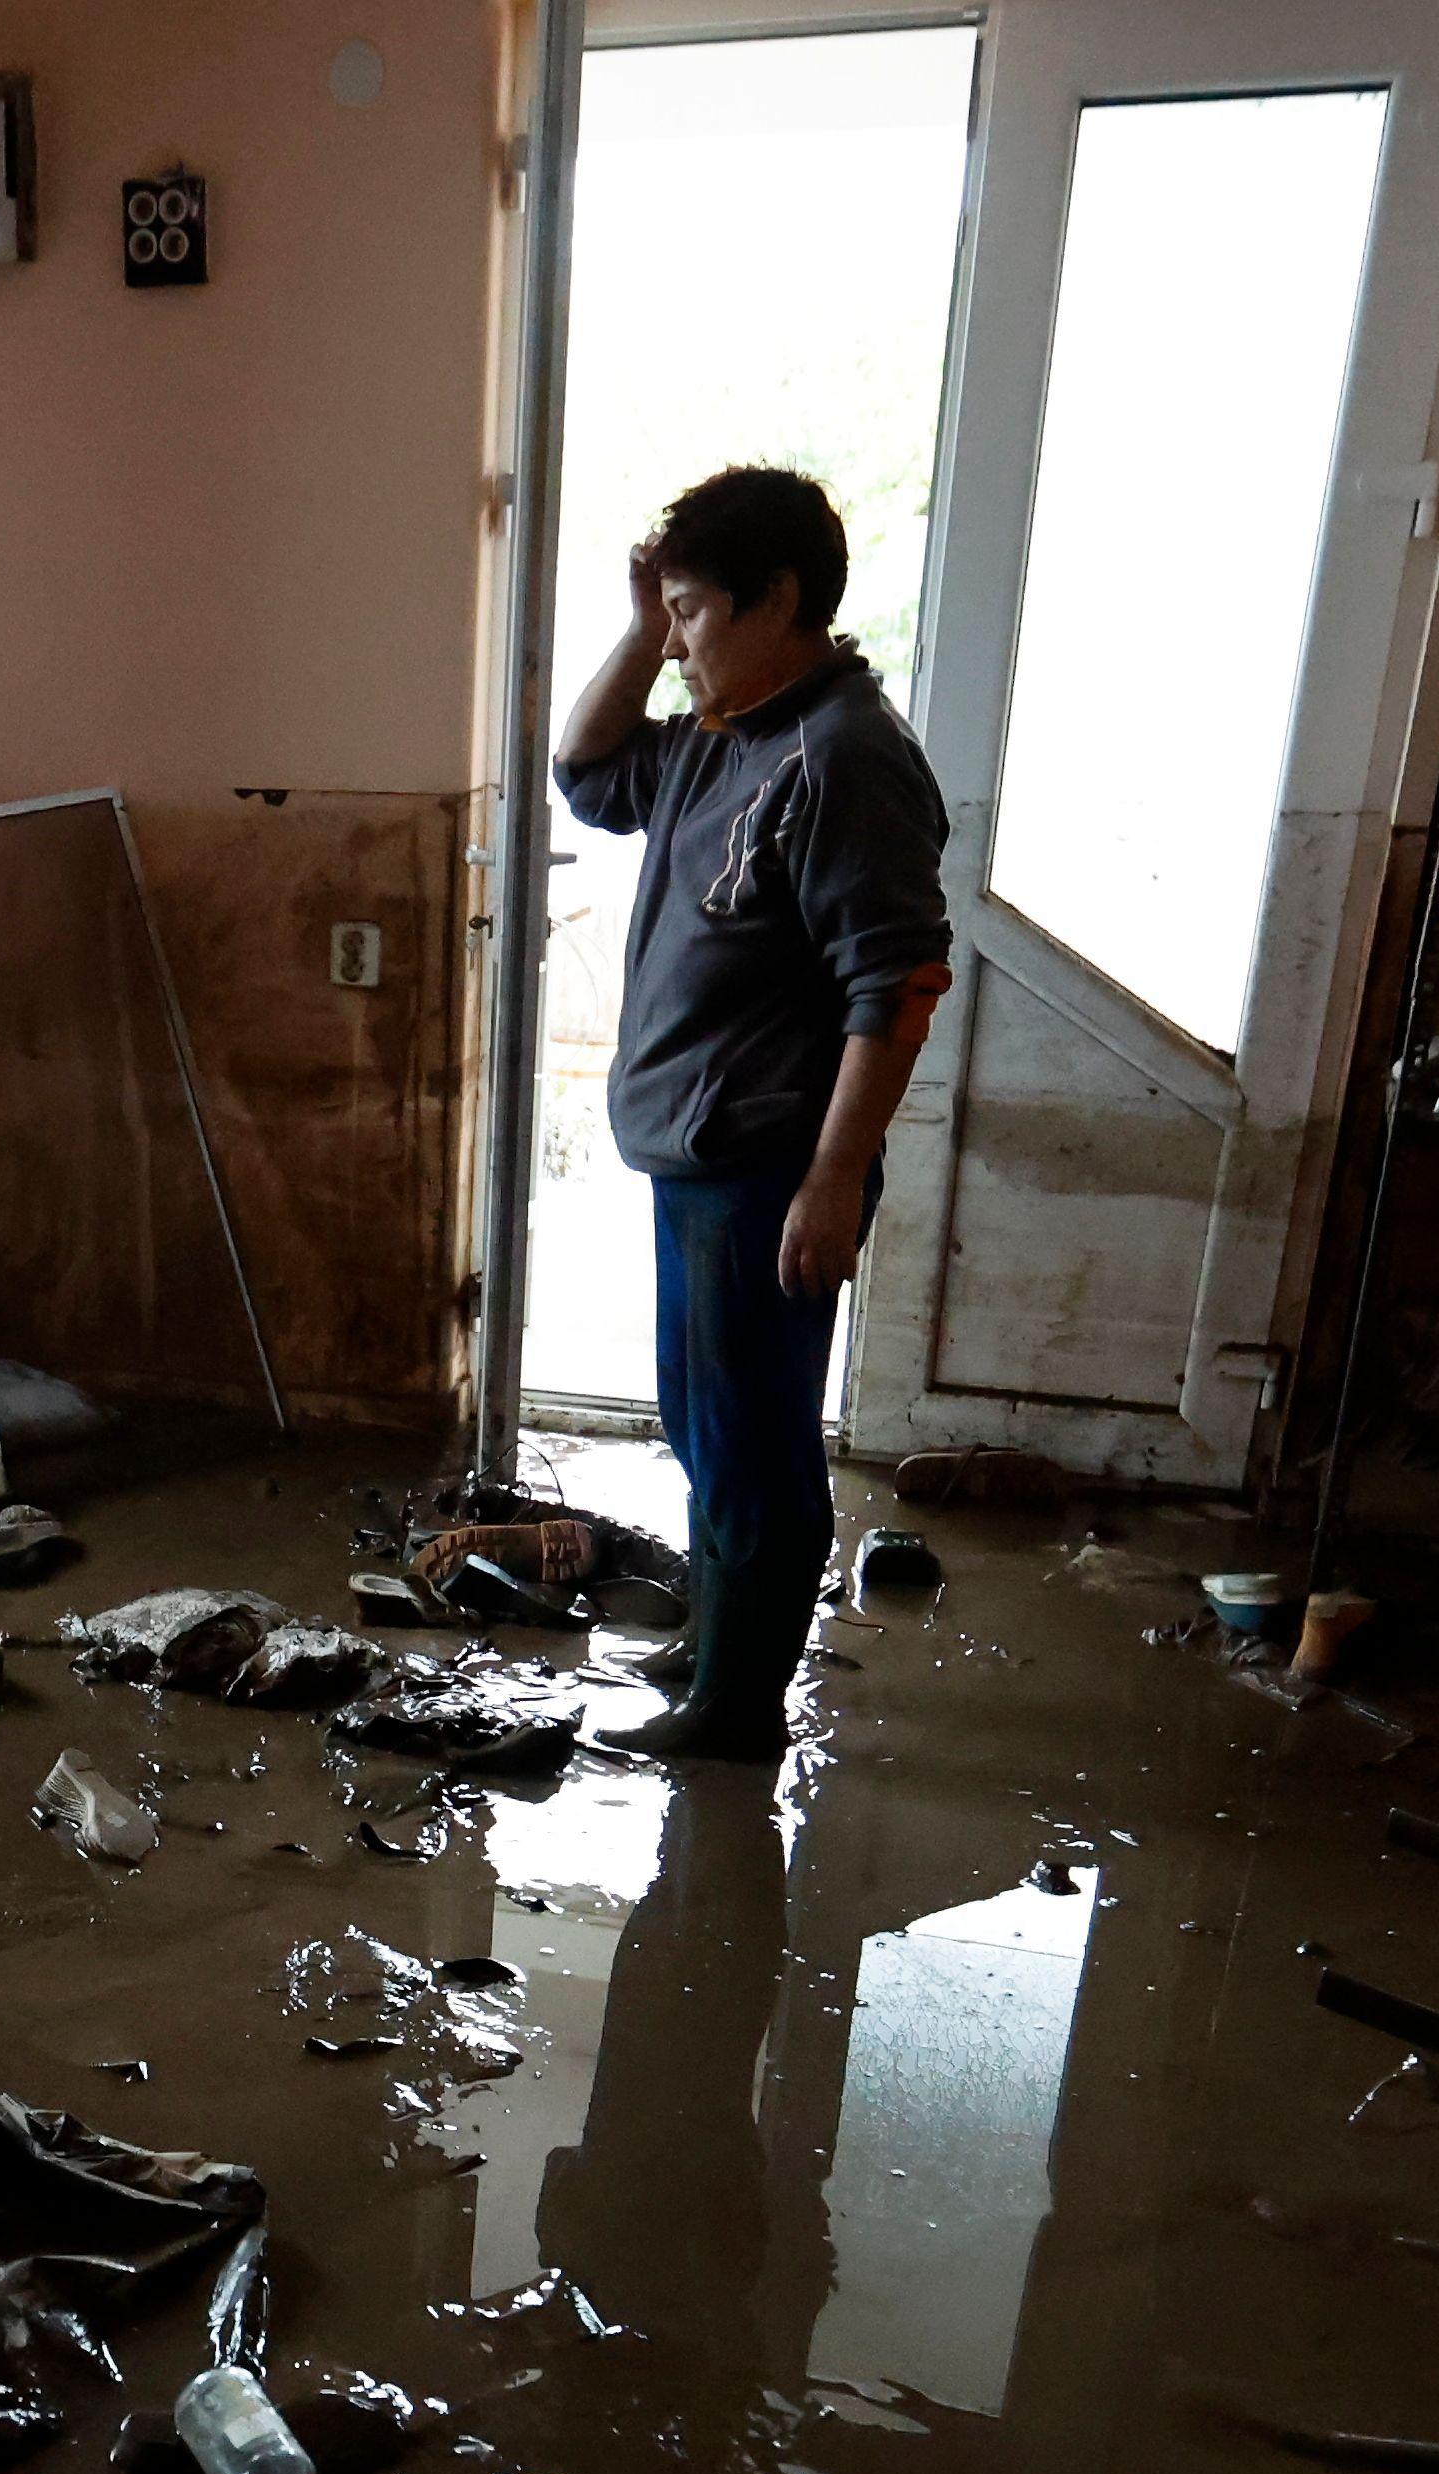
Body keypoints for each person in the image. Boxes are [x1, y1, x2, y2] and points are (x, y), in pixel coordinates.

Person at [551, 463, 951, 1764]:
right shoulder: (719, 739)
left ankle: (737, 1713)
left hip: (771, 1165)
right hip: (697, 1159)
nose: (679, 644)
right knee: (700, 1425)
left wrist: (835, 1178)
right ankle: (716, 1647)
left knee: (754, 1446)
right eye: (666, 617)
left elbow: (894, 984)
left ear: (777, 599)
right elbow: (582, 768)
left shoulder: (843, 756)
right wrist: (637, 626)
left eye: (693, 613)